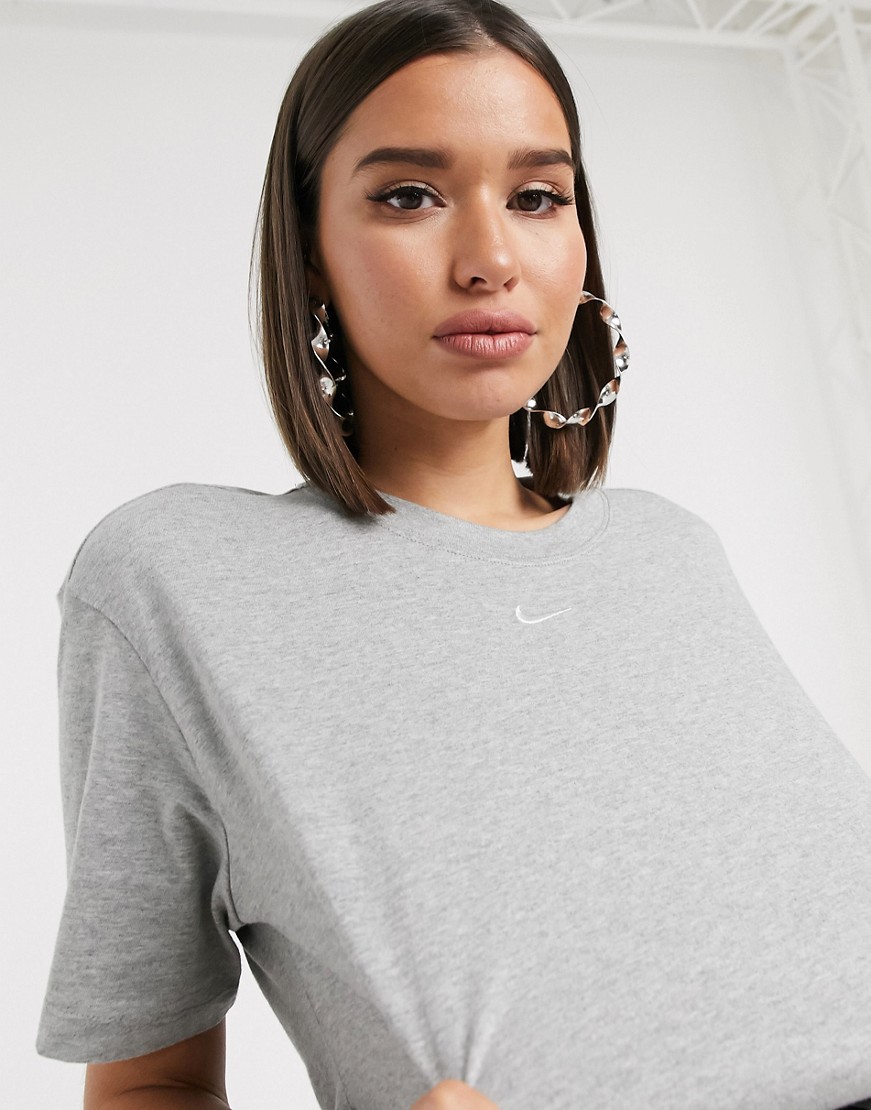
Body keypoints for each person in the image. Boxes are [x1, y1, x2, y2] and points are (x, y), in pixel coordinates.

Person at [35, 0, 871, 1108]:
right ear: (309, 247)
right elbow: (150, 1083)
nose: (489, 259)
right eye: (408, 196)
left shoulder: (670, 547)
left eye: (536, 197)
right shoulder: (175, 577)